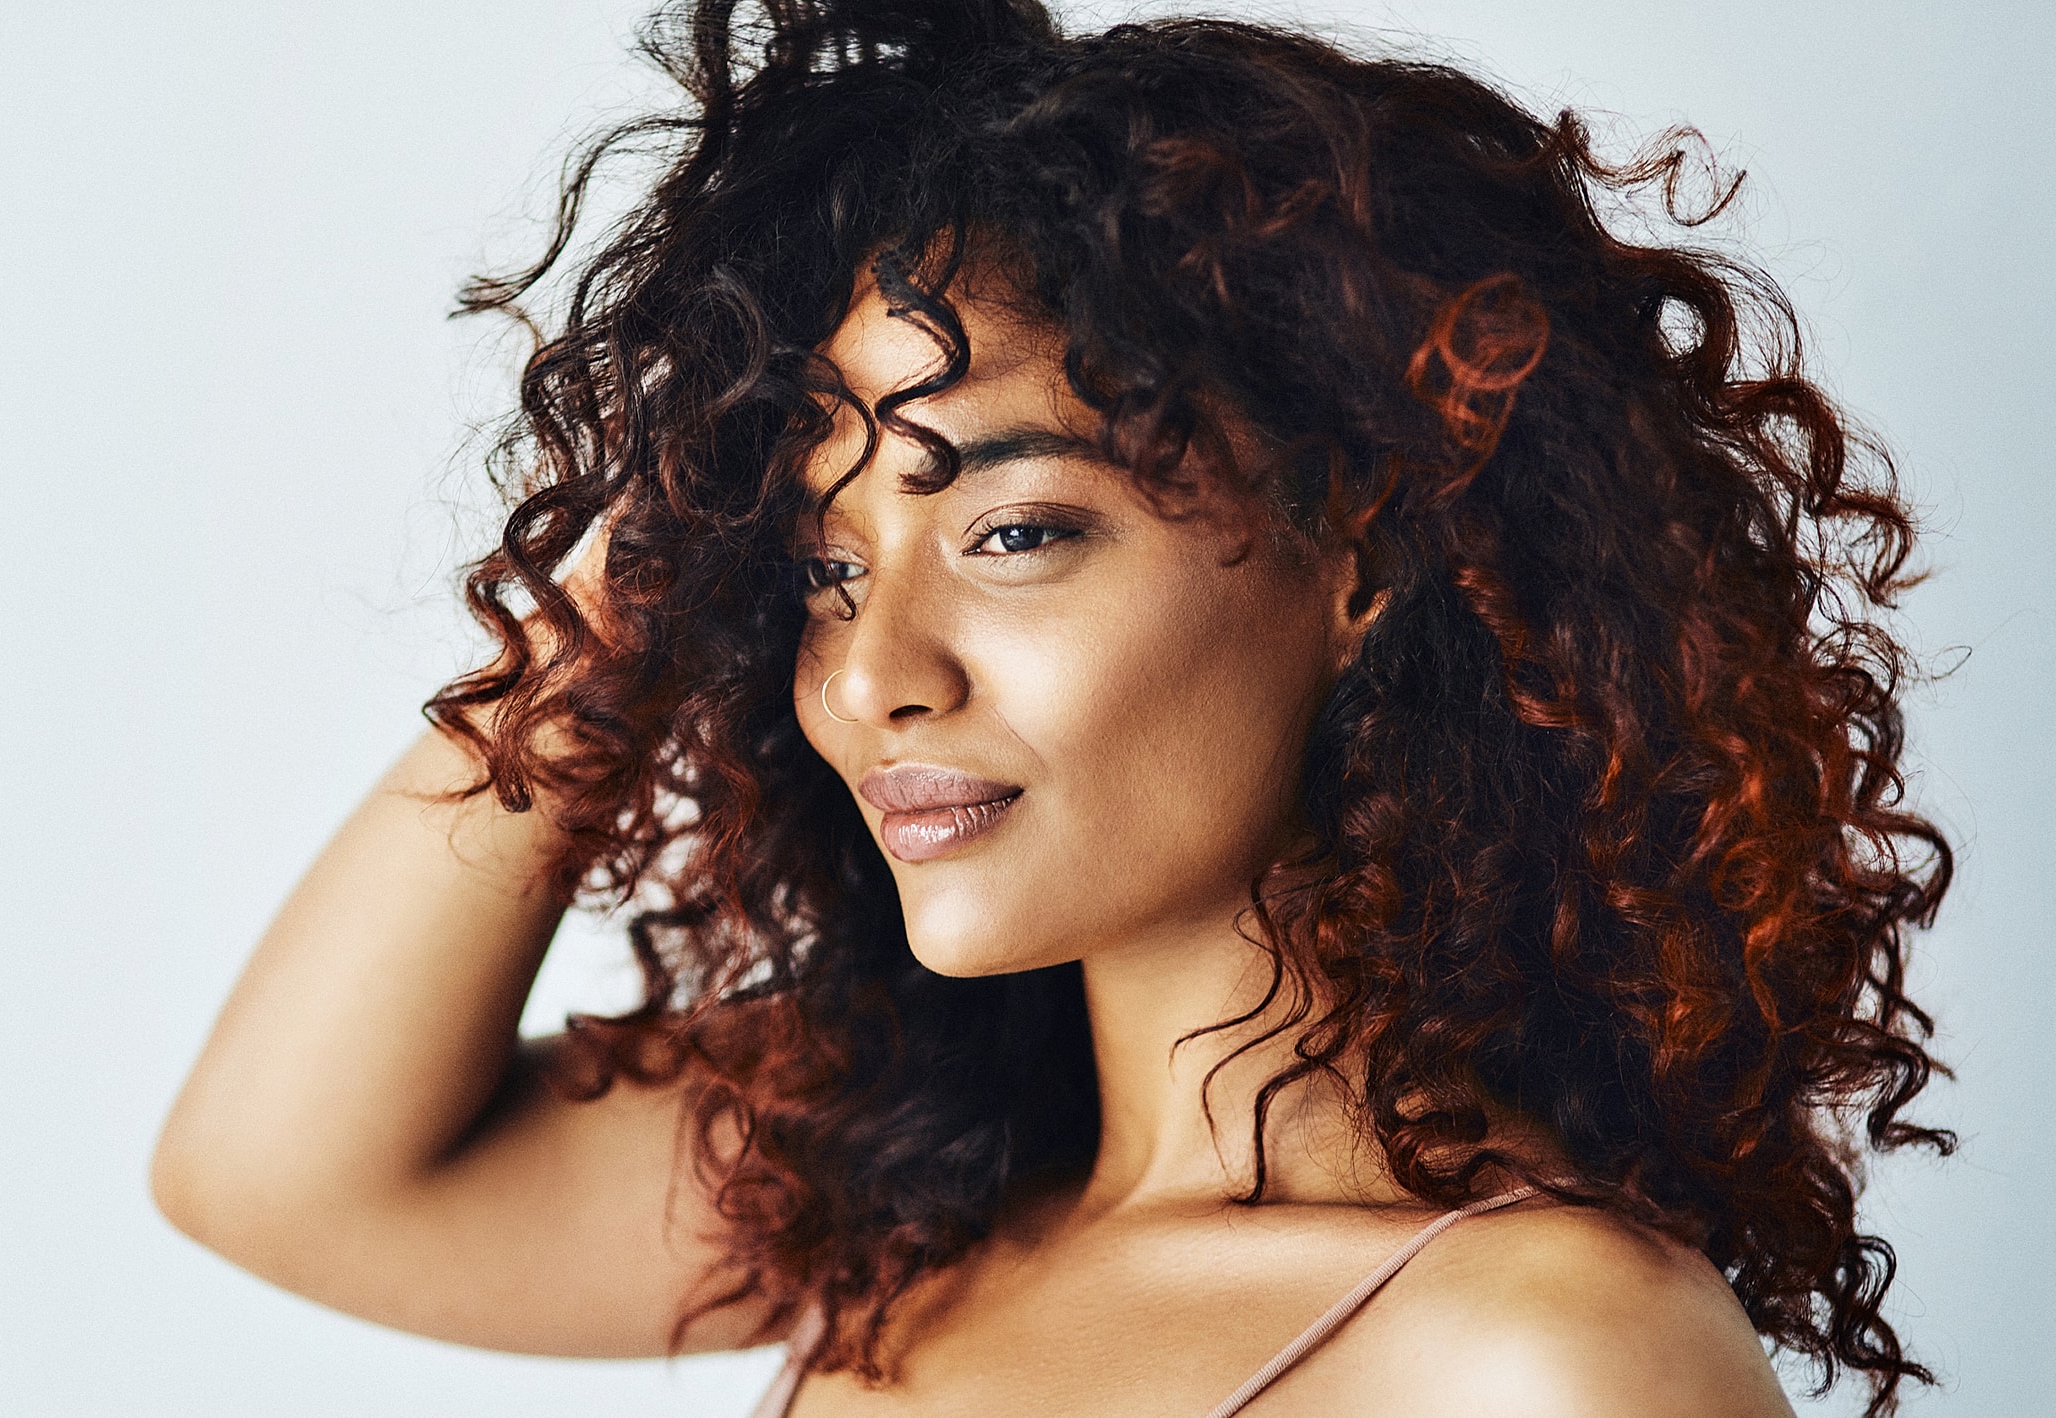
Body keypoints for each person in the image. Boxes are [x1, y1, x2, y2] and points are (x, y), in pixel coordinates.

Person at [151, 1, 1955, 1414]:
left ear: (1364, 551)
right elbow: (278, 1170)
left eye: (1012, 531)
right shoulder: (905, 1186)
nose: (875, 674)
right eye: (824, 569)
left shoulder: (1538, 1351)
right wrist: (660, 533)